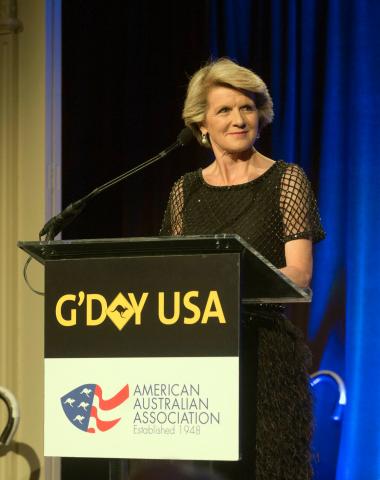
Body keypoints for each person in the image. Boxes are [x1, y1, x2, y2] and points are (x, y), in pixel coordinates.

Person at [160, 58, 325, 480]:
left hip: (264, 353)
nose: (238, 119)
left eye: (247, 108)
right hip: (196, 357)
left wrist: (233, 285)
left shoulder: (286, 180)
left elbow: (300, 273)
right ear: (201, 124)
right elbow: (169, 273)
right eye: (225, 110)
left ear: (261, 115)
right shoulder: (186, 190)